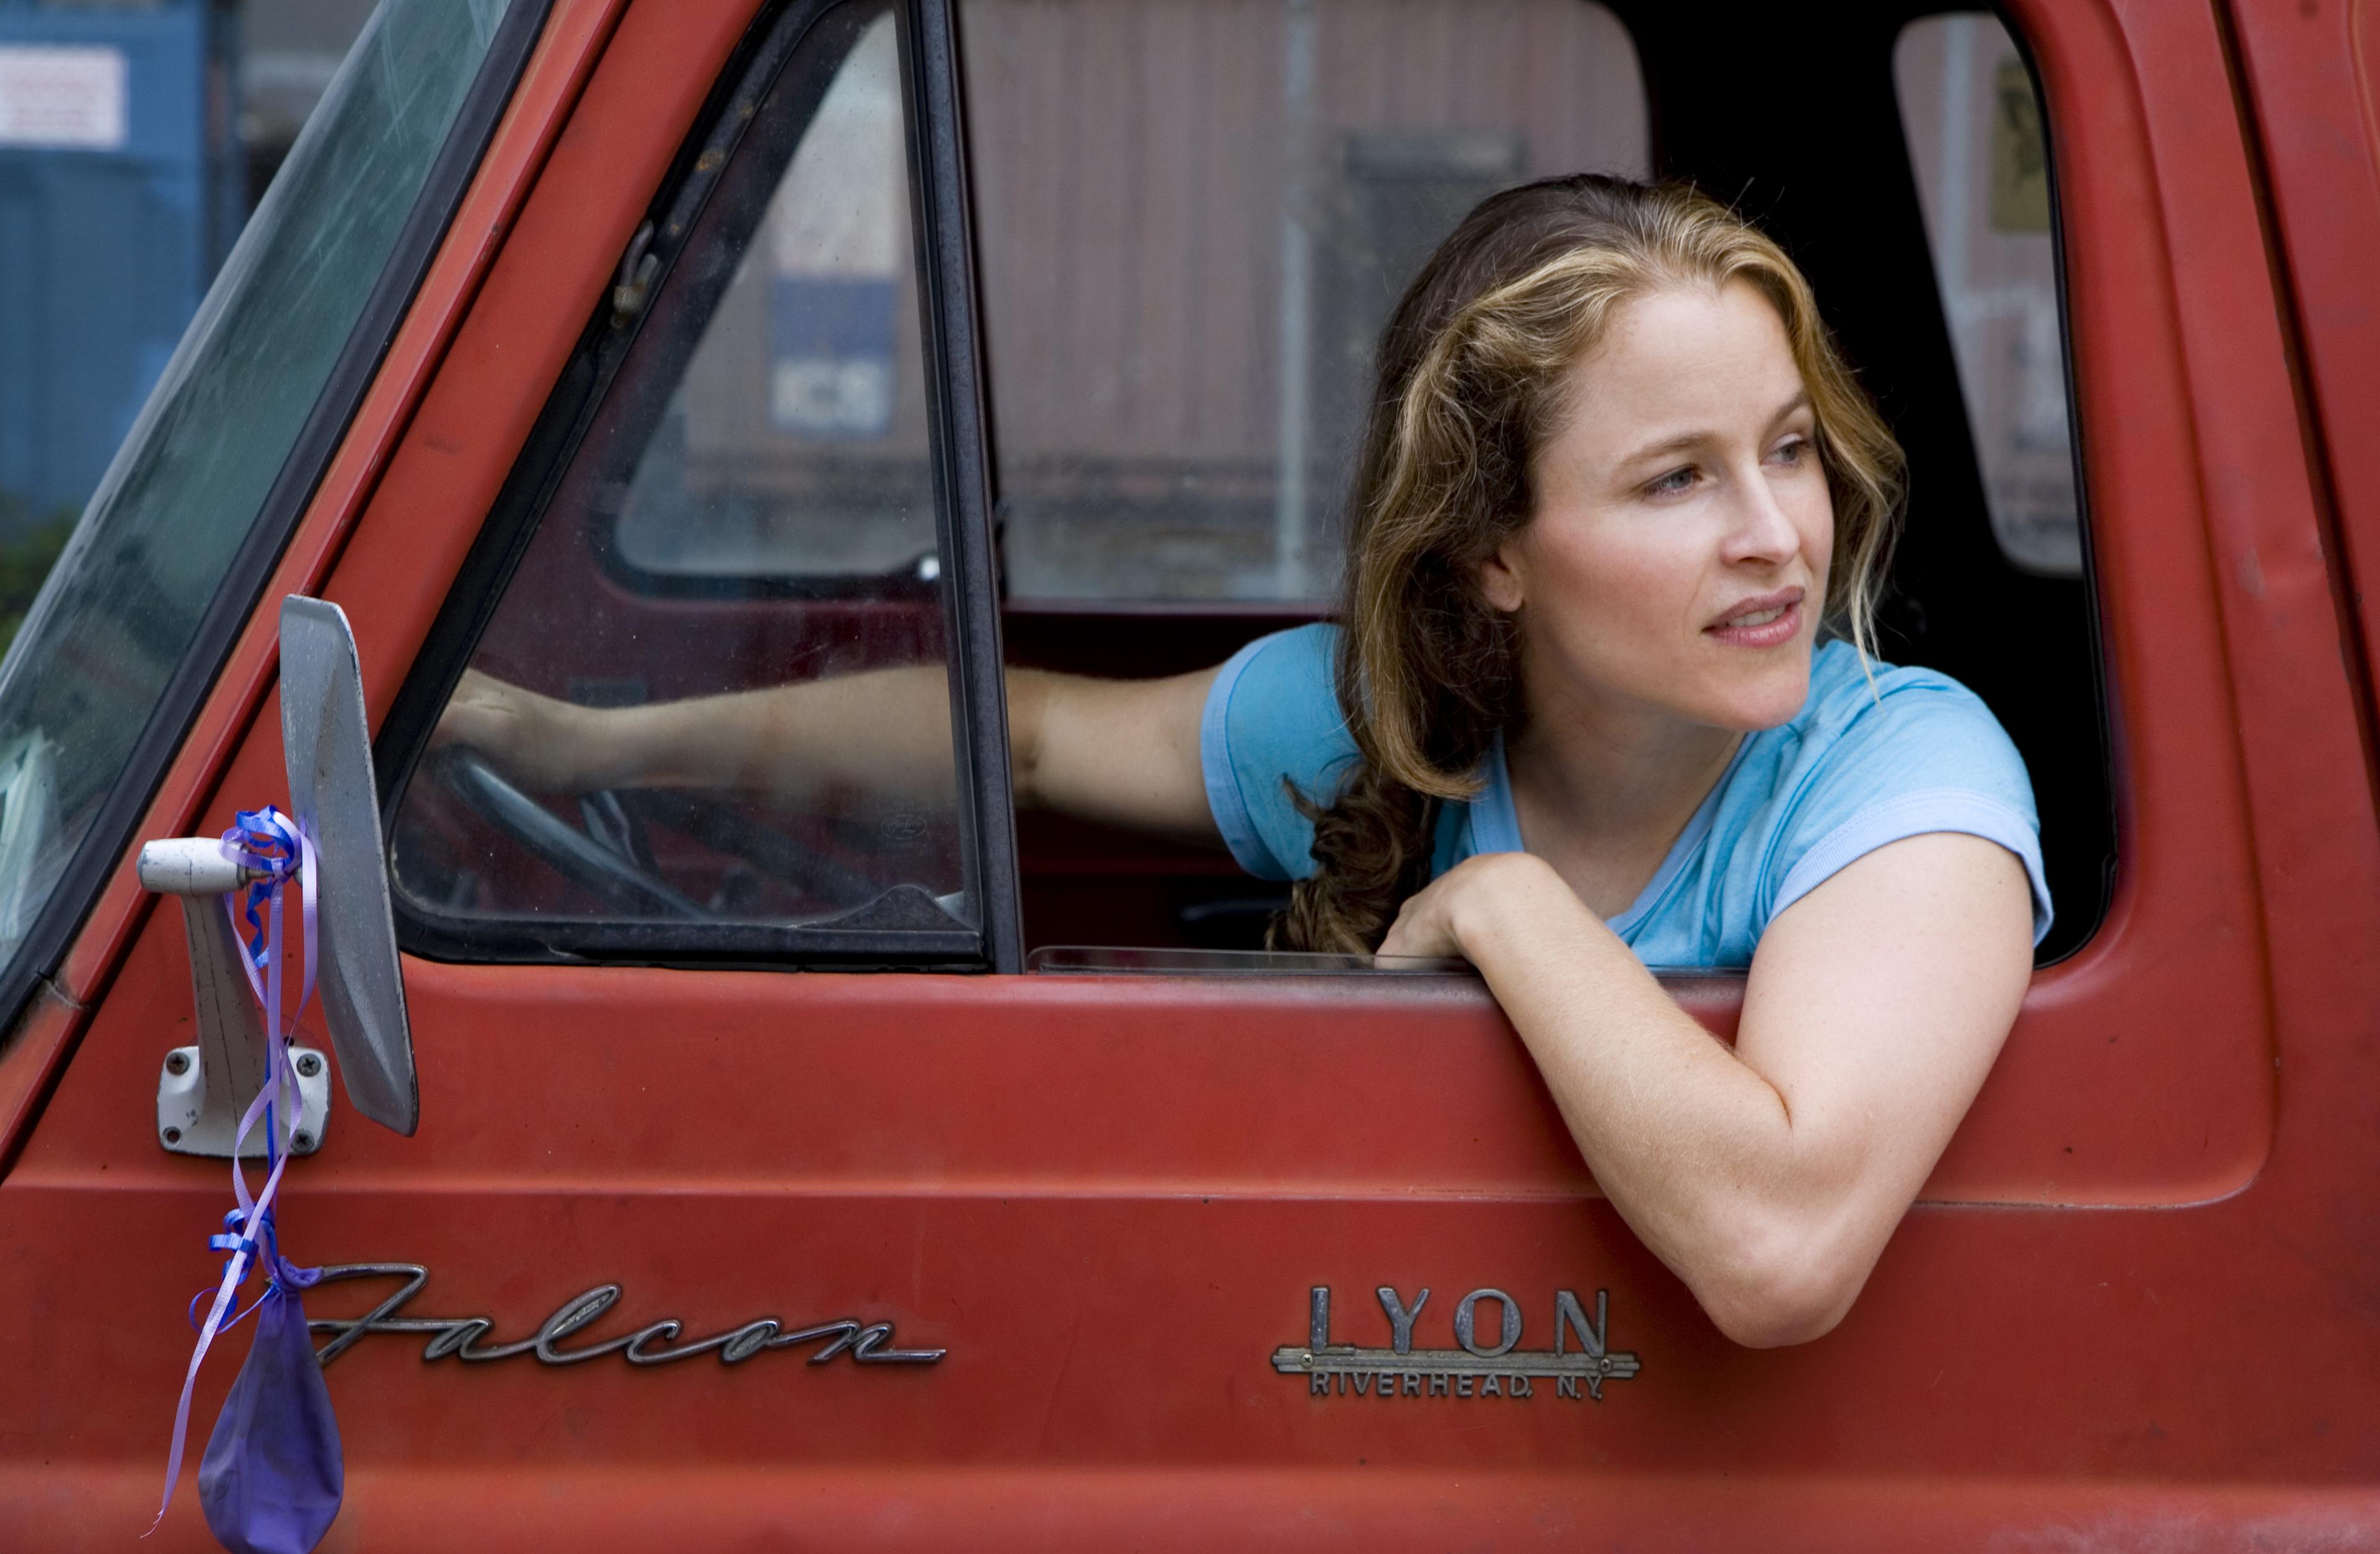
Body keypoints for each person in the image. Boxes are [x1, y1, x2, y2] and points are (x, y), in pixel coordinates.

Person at [438, 175, 2045, 1348]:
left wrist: (1502, 905)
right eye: (1675, 481)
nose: (1778, 538)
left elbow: (1780, 1248)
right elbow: (1029, 731)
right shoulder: (1395, 719)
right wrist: (587, 744)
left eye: (1784, 449)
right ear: (1494, 551)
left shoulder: (1905, 773)